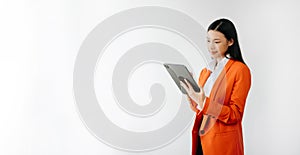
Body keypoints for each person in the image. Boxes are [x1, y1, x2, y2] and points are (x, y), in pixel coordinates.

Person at [180, 18, 251, 155]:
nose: (211, 47)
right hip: (202, 139)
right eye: (208, 40)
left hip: (222, 144)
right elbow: (201, 109)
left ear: (230, 42)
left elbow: (235, 114)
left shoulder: (240, 70)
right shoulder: (206, 71)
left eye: (216, 42)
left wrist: (203, 101)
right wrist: (191, 96)